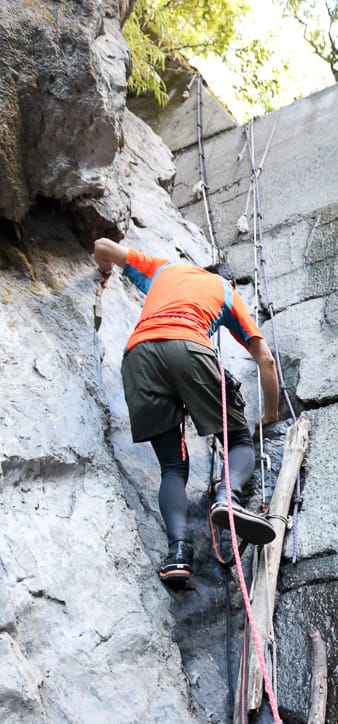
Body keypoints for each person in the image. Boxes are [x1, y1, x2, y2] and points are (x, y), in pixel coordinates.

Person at [93, 238, 279, 586]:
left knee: (173, 466)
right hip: (189, 346)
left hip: (138, 356)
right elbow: (266, 360)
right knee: (238, 441)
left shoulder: (166, 269)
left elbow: (103, 245)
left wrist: (104, 272)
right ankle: (228, 497)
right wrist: (269, 415)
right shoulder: (225, 291)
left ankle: (177, 555)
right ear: (227, 280)